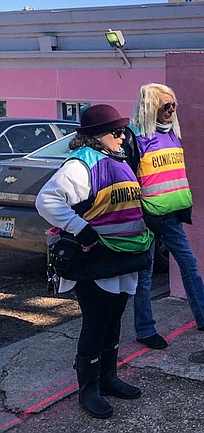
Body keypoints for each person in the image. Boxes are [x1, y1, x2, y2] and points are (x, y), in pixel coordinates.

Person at [36, 104, 154, 419]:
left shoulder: (117, 159)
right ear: (95, 137)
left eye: (123, 130)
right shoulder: (81, 165)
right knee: (96, 323)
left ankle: (108, 378)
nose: (121, 135)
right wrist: (83, 232)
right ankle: (88, 390)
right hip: (97, 261)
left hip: (122, 259)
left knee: (114, 321)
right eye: (115, 131)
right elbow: (46, 200)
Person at [124, 83, 204, 350]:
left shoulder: (172, 134)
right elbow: (129, 180)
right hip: (146, 219)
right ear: (150, 106)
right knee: (144, 275)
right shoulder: (135, 137)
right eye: (166, 105)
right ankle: (144, 330)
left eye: (174, 105)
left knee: (189, 265)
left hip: (171, 215)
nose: (172, 110)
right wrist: (140, 213)